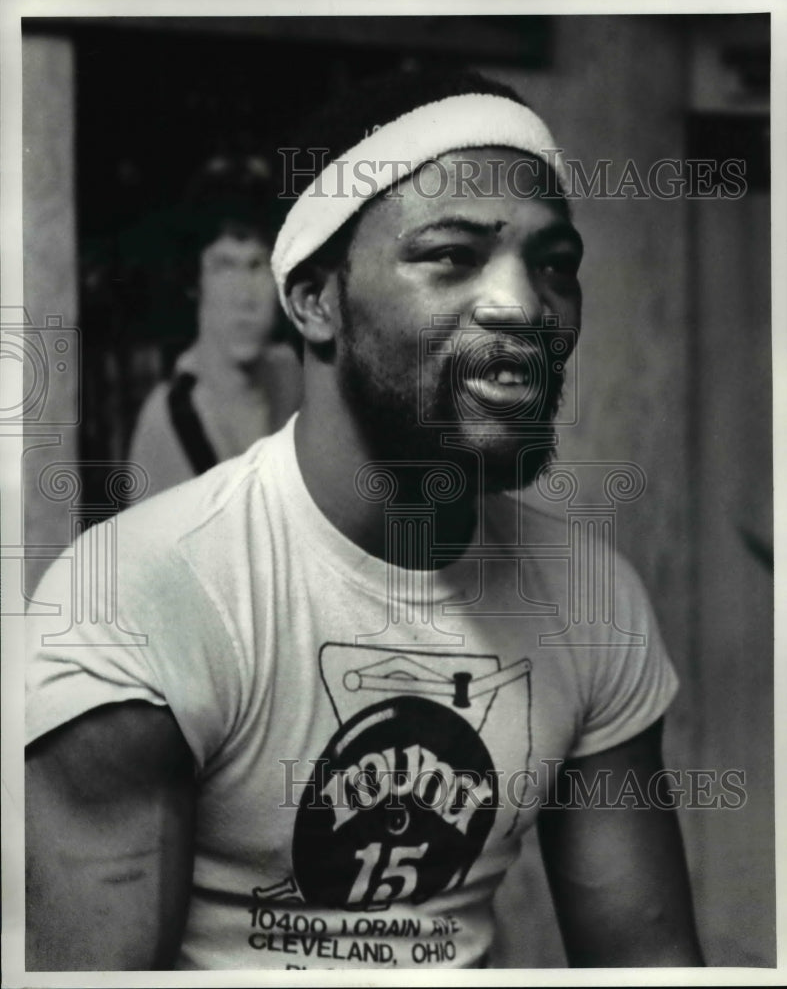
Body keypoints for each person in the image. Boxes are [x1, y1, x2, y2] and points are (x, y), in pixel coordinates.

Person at [25, 69, 704, 970]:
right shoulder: (139, 598)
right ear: (314, 302)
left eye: (554, 265)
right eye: (452, 256)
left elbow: (646, 963)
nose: (524, 306)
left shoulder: (588, 599)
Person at [128, 156, 303, 497]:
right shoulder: (168, 423)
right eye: (224, 266)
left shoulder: (297, 379)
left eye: (257, 266)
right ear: (196, 280)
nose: (244, 297)